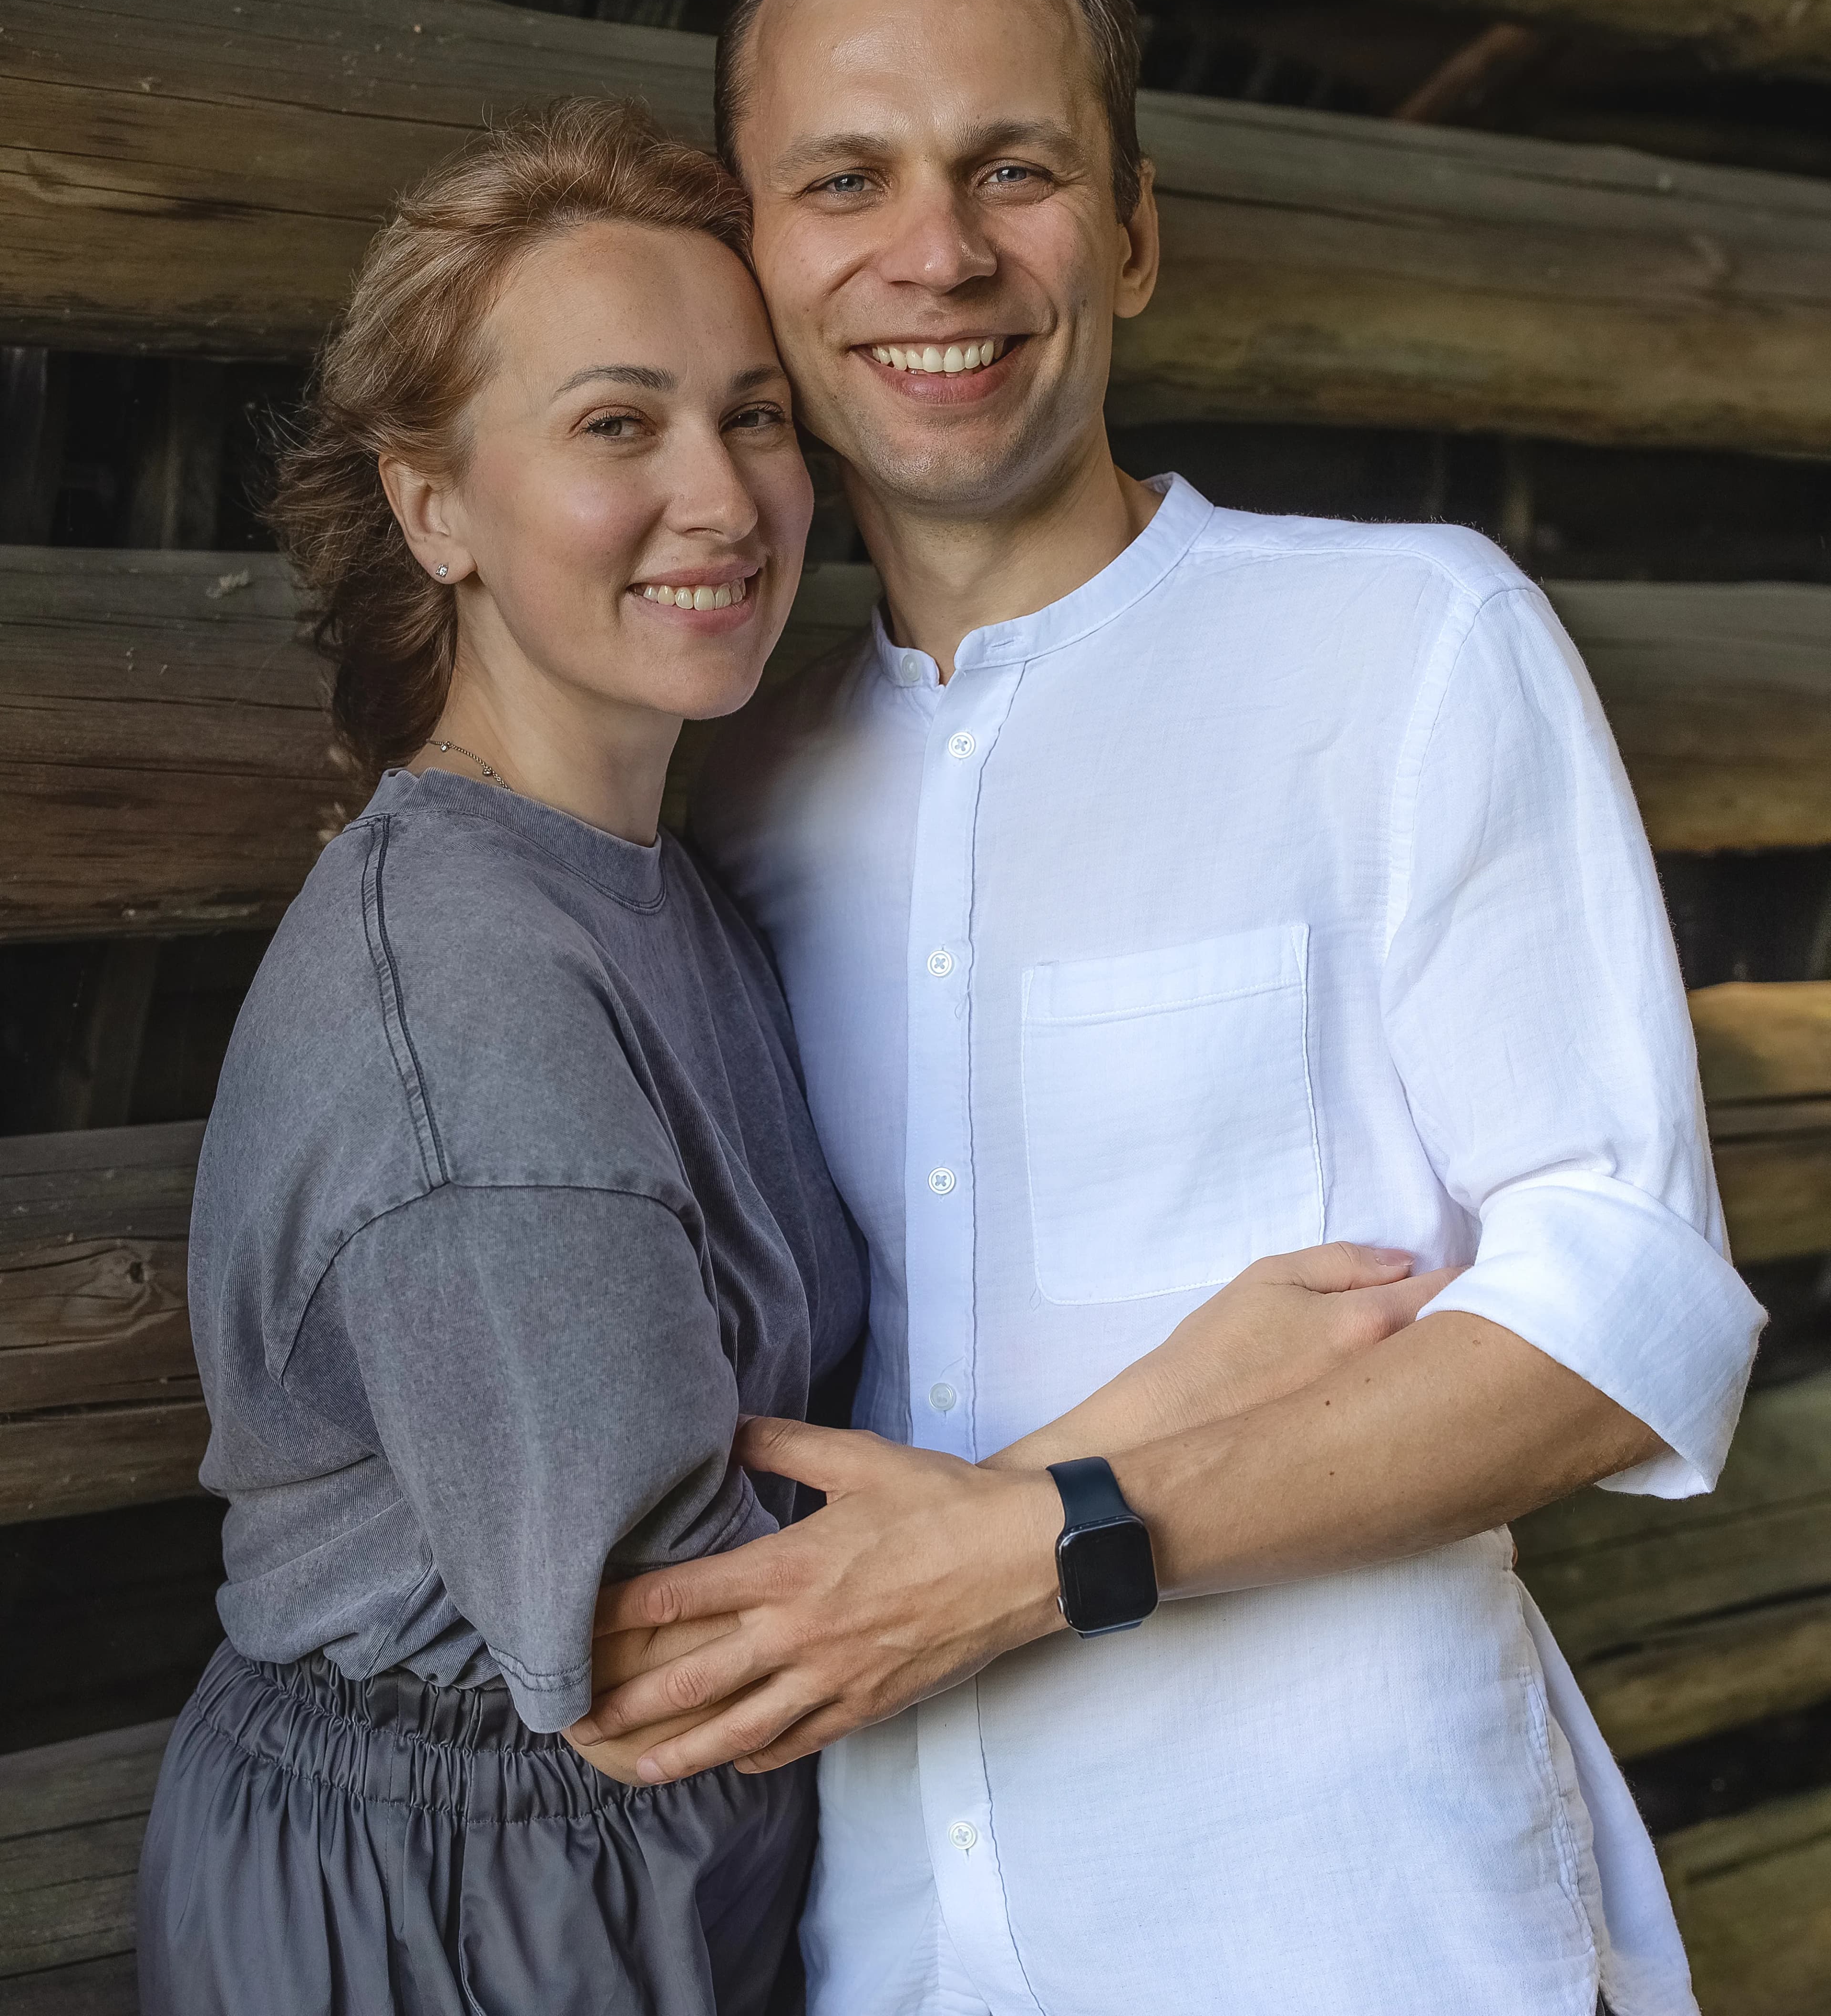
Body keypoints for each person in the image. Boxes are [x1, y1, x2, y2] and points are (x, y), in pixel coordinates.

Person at [577, 0, 1769, 2016]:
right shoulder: (726, 796)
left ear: (1130, 234)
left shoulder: (1402, 644)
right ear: (750, 257)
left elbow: (1623, 1320)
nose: (936, 252)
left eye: (1010, 168)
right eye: (845, 182)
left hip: (1364, 1935)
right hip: (883, 1951)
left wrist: (1050, 1545)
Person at [136, 96, 1440, 2015]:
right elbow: (669, 1655)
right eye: (614, 426)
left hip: (639, 1889)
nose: (722, 496)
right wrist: (1179, 1417)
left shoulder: (653, 868)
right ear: (434, 506)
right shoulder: (479, 1002)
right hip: (459, 1918)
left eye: (752, 414)